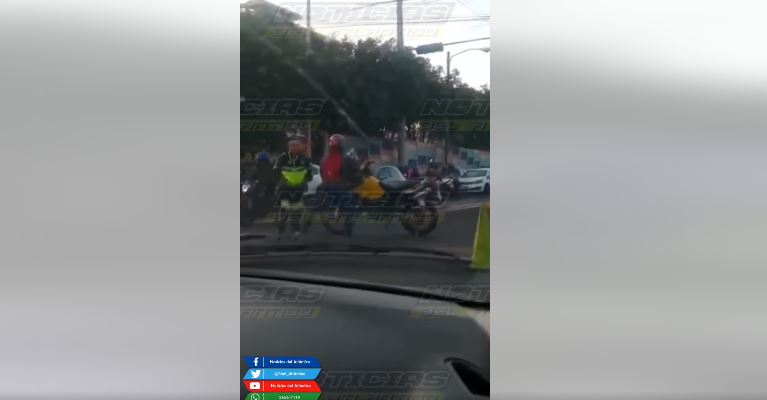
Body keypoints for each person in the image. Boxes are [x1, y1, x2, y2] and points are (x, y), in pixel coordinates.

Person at [274, 134, 313, 238]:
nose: (295, 147)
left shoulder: (305, 159)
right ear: (289, 147)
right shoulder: (283, 158)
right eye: (292, 146)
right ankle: (281, 229)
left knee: (296, 210)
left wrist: (305, 181)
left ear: (300, 147)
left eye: (297, 145)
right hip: (285, 188)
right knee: (284, 209)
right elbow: (276, 171)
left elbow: (309, 173)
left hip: (298, 188)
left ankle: (295, 230)